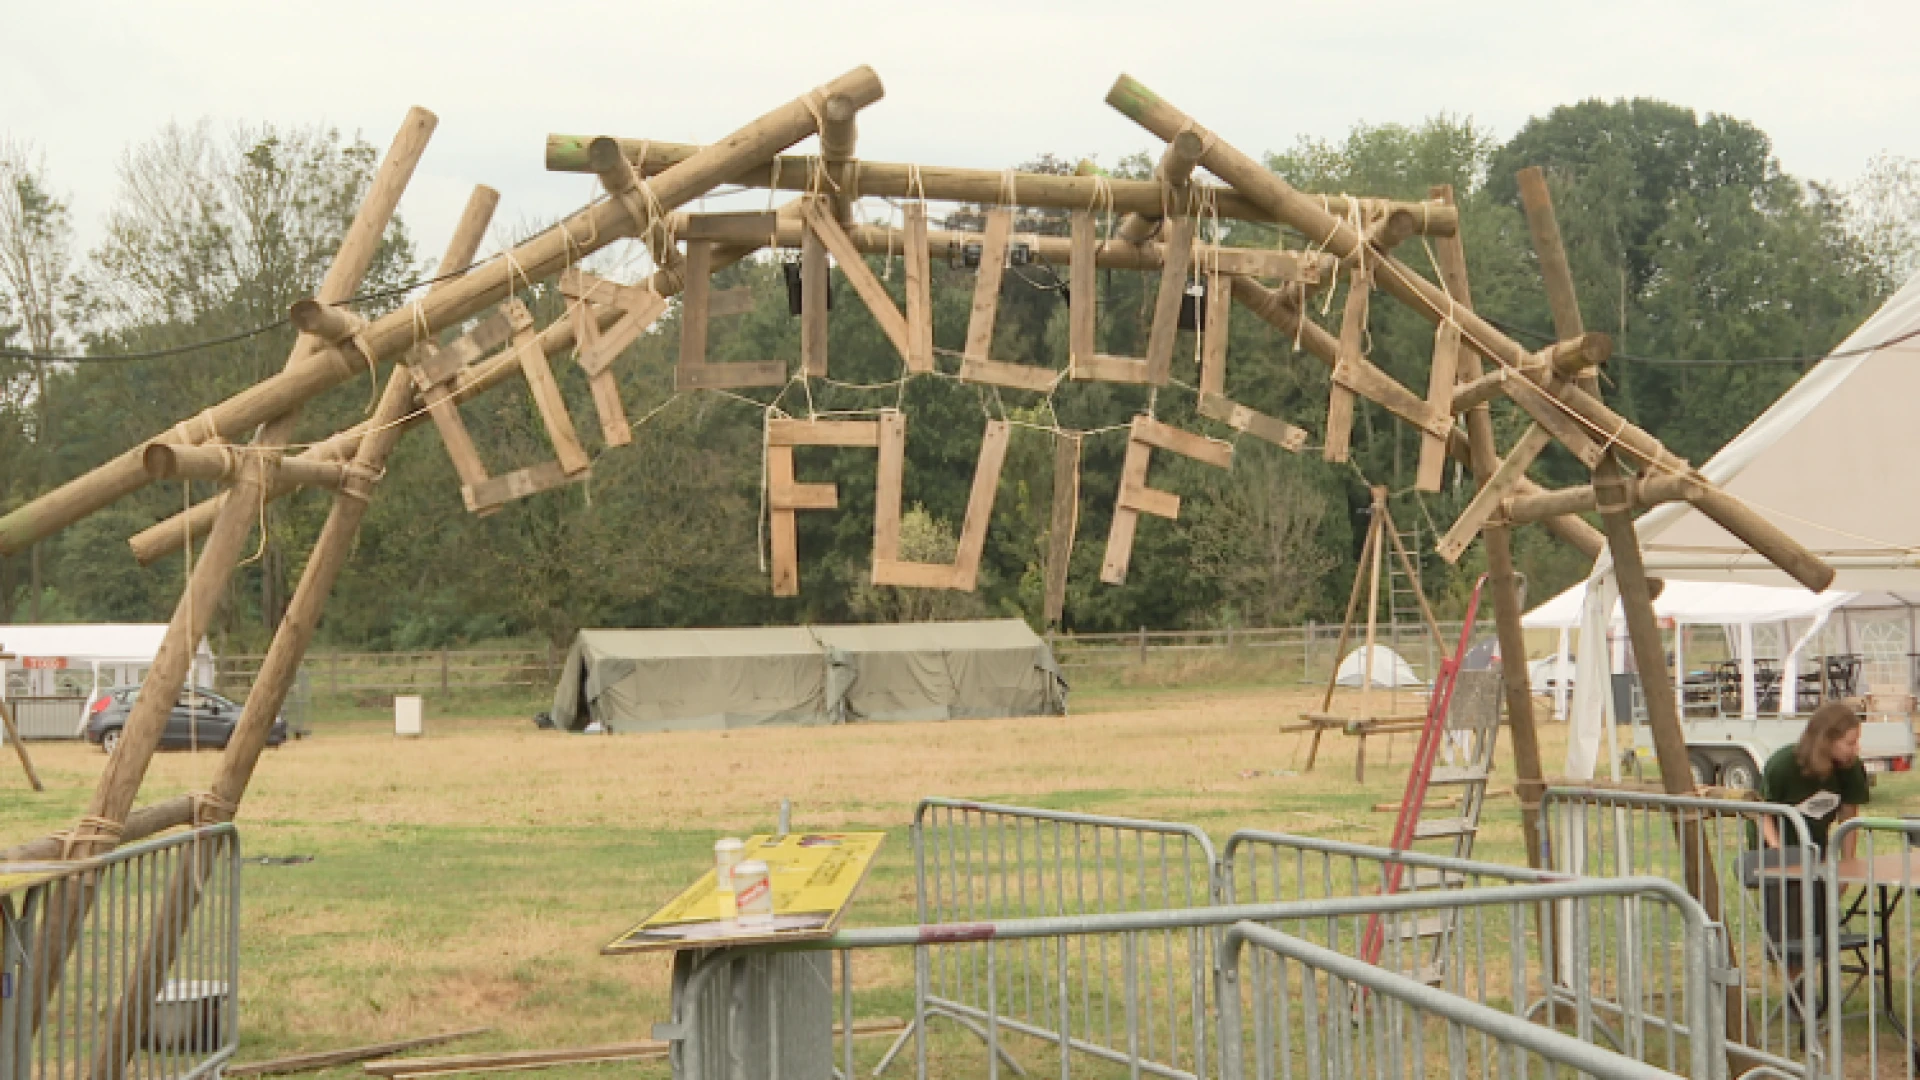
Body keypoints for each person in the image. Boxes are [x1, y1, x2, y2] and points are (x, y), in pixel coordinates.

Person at [1758, 700, 1869, 857]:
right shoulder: (1782, 765)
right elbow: (1762, 812)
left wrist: (1847, 864)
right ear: (1826, 741)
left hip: (1814, 847)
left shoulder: (1851, 767)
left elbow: (1849, 818)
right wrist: (1777, 852)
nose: (1857, 749)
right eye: (1850, 743)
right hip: (1771, 848)